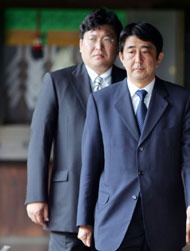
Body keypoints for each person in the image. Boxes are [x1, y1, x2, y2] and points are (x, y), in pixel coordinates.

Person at [76, 22, 190, 251]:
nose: (138, 59)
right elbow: (90, 164)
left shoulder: (182, 100)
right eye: (131, 51)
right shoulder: (101, 102)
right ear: (121, 57)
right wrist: (84, 220)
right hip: (114, 217)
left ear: (159, 58)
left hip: (164, 218)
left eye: (146, 52)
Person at [25, 8, 125, 251]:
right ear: (81, 45)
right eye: (92, 39)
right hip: (68, 200)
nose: (98, 47)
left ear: (118, 47)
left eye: (108, 39)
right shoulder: (58, 82)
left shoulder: (129, 83)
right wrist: (36, 195)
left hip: (118, 201)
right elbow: (40, 140)